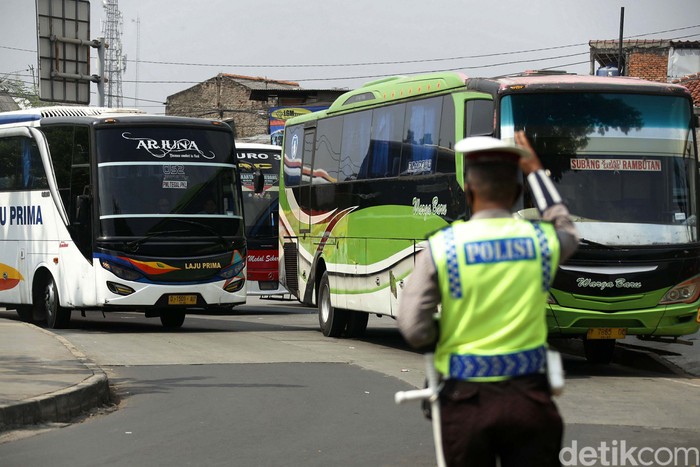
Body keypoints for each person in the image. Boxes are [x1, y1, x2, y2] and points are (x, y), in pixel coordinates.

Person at [397, 131, 579, 467]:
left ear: (469, 190)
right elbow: (567, 228)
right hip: (529, 400)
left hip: (466, 403)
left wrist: (442, 330)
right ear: (517, 192)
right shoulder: (542, 241)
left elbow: (413, 326)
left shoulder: (443, 247)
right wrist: (537, 172)